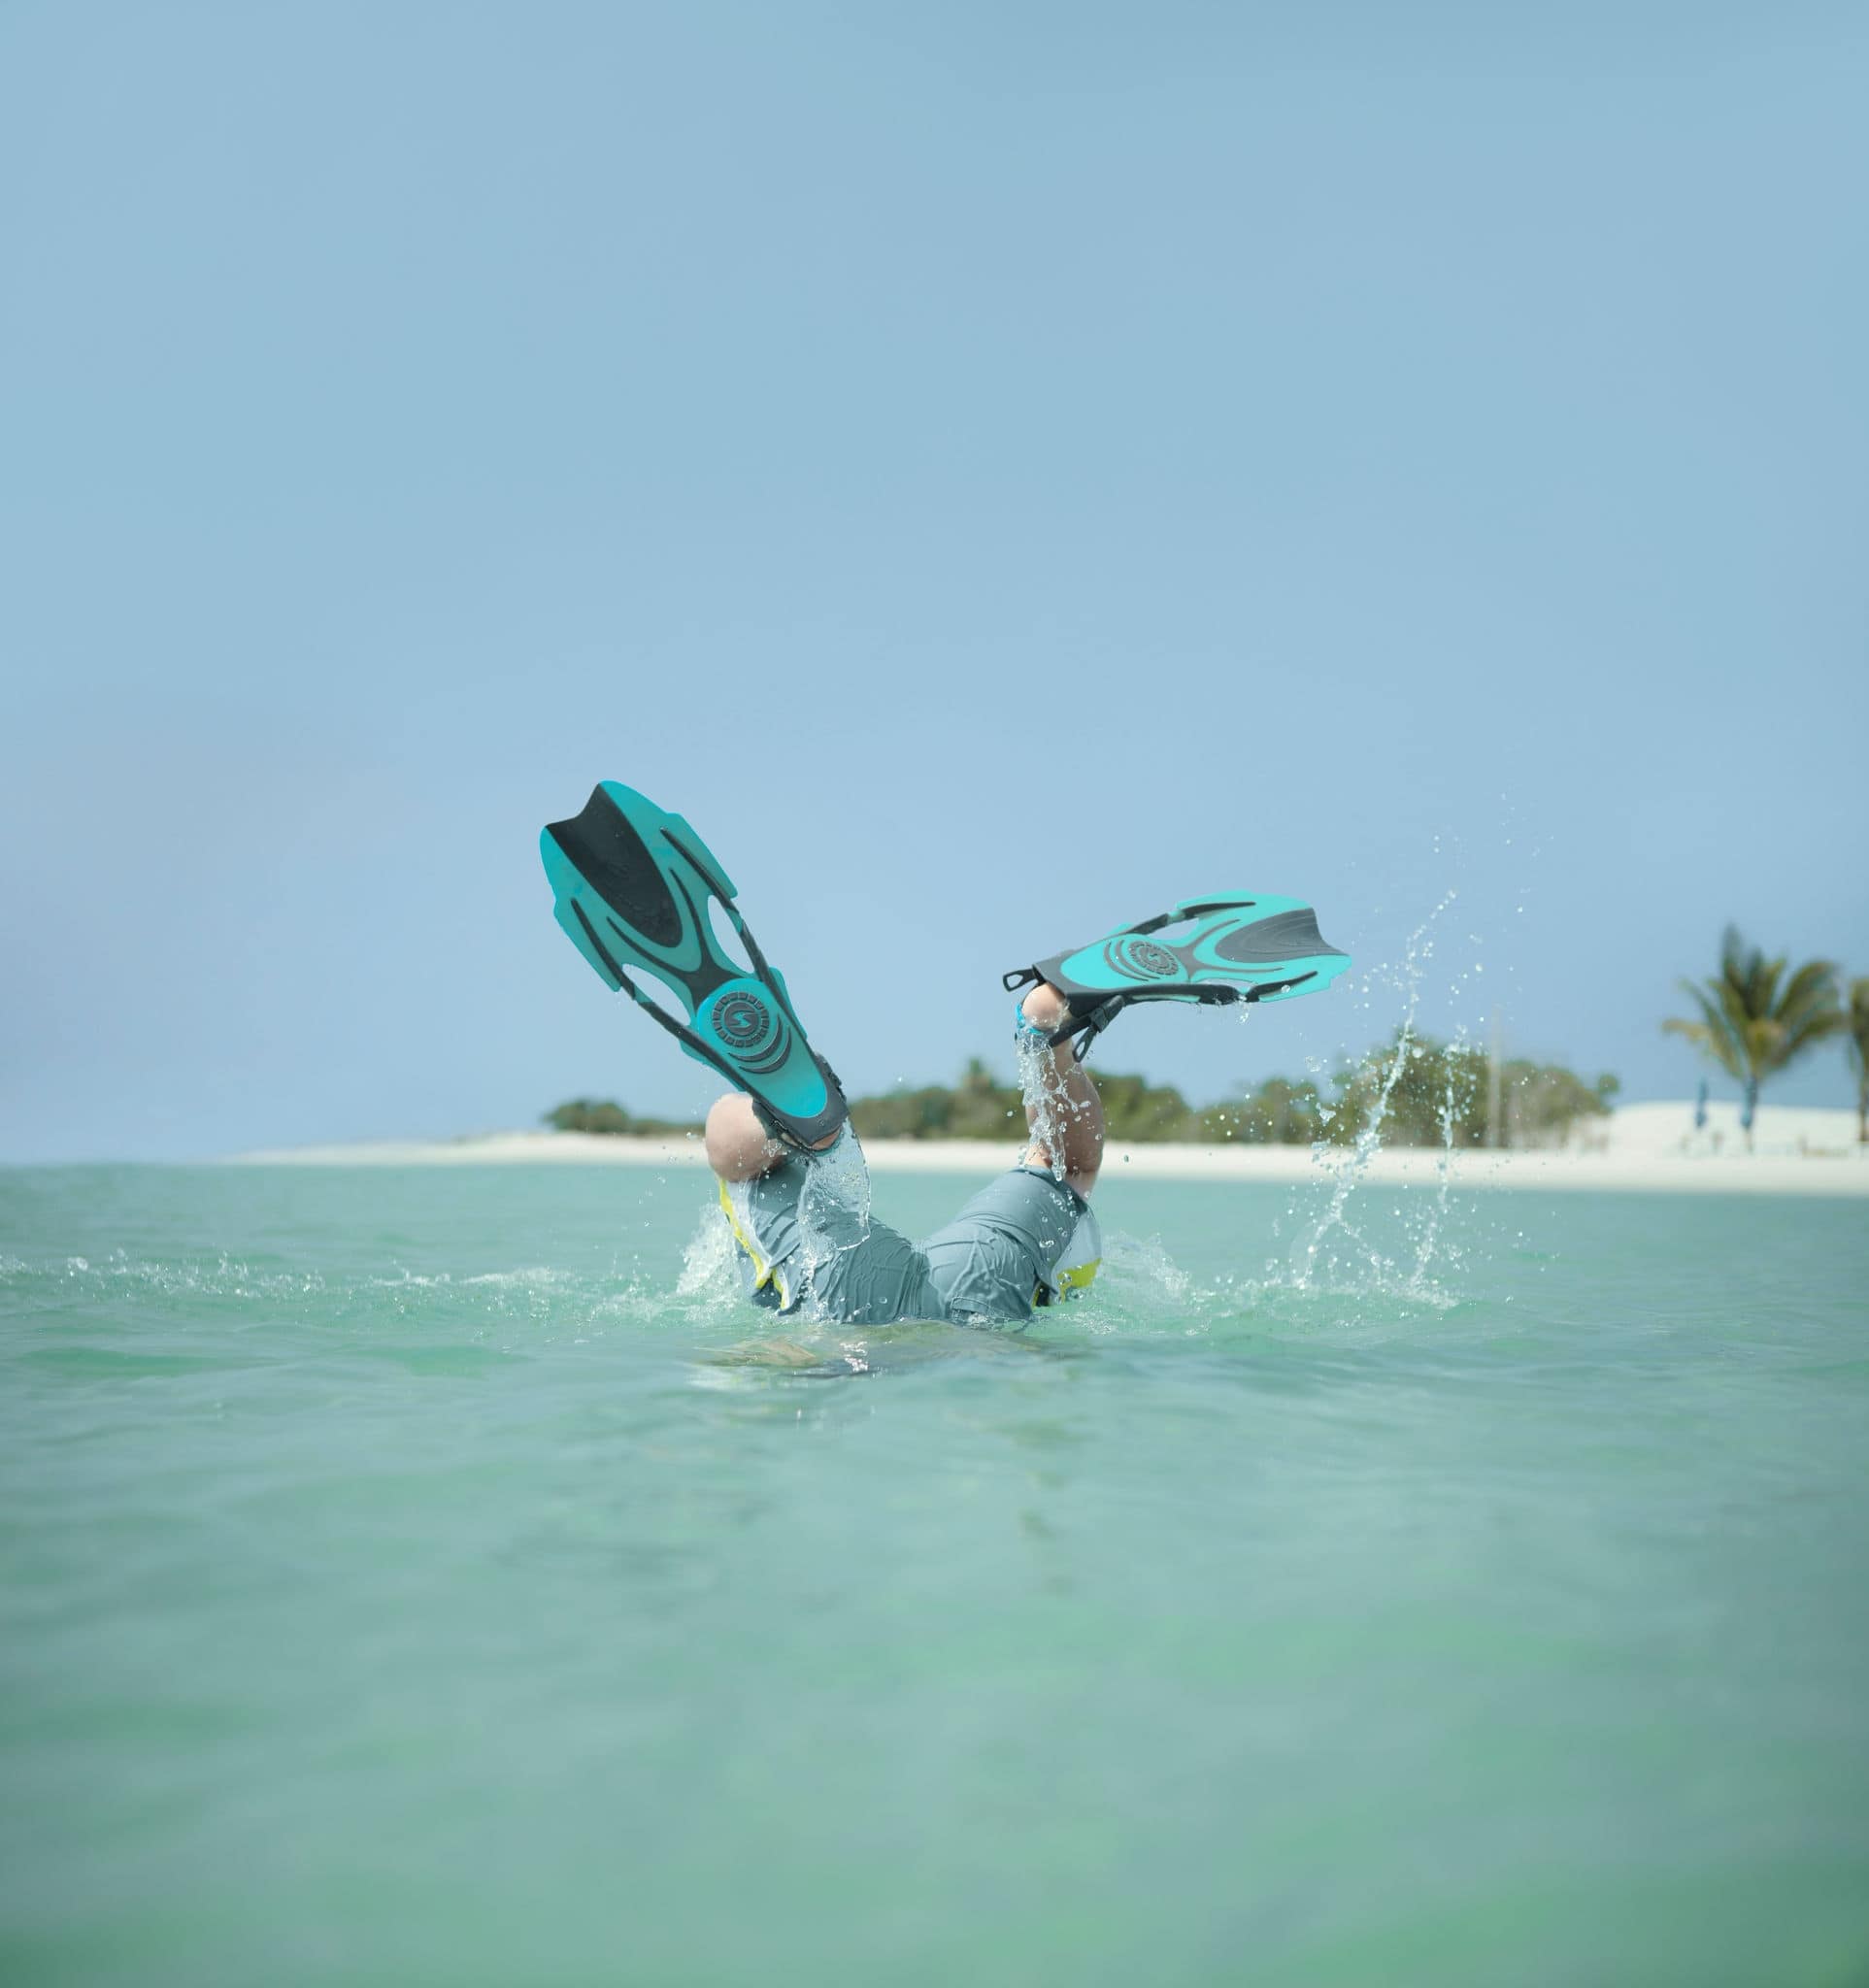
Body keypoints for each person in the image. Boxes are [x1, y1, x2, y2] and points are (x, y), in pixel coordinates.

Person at [540, 779, 1349, 1330]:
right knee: (1060, 1167)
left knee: (747, 1154)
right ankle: (1044, 1036)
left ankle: (800, 1126)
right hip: (978, 1299)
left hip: (849, 1327)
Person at [703, 978, 1104, 1328]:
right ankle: (1044, 1035)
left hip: (845, 1299)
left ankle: (782, 1126)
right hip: (981, 1278)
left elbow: (732, 1163)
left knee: (746, 1168)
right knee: (1061, 1165)